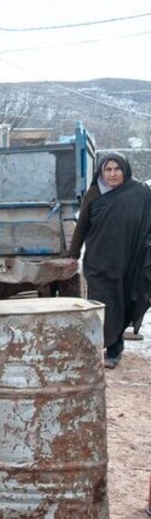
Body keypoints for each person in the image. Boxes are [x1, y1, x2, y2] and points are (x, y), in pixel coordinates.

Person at [67, 152, 151, 369]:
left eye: (117, 169)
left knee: (123, 302)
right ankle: (101, 344)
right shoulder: (94, 194)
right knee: (103, 304)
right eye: (108, 169)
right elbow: (82, 227)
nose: (112, 174)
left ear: (125, 170)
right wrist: (72, 255)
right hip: (99, 261)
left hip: (129, 260)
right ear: (101, 172)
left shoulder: (141, 193)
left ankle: (115, 349)